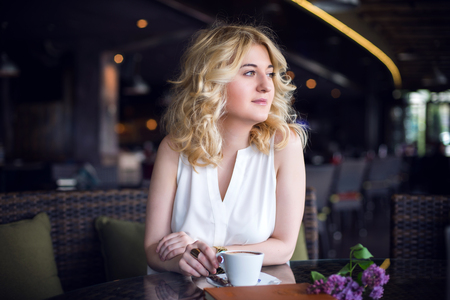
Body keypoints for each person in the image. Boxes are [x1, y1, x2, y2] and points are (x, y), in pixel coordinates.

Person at [144, 23, 307, 278]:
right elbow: (153, 249)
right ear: (213, 81)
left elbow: (284, 248)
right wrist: (179, 261)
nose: (266, 86)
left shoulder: (285, 145)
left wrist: (208, 252)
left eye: (270, 73)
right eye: (250, 73)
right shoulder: (174, 149)